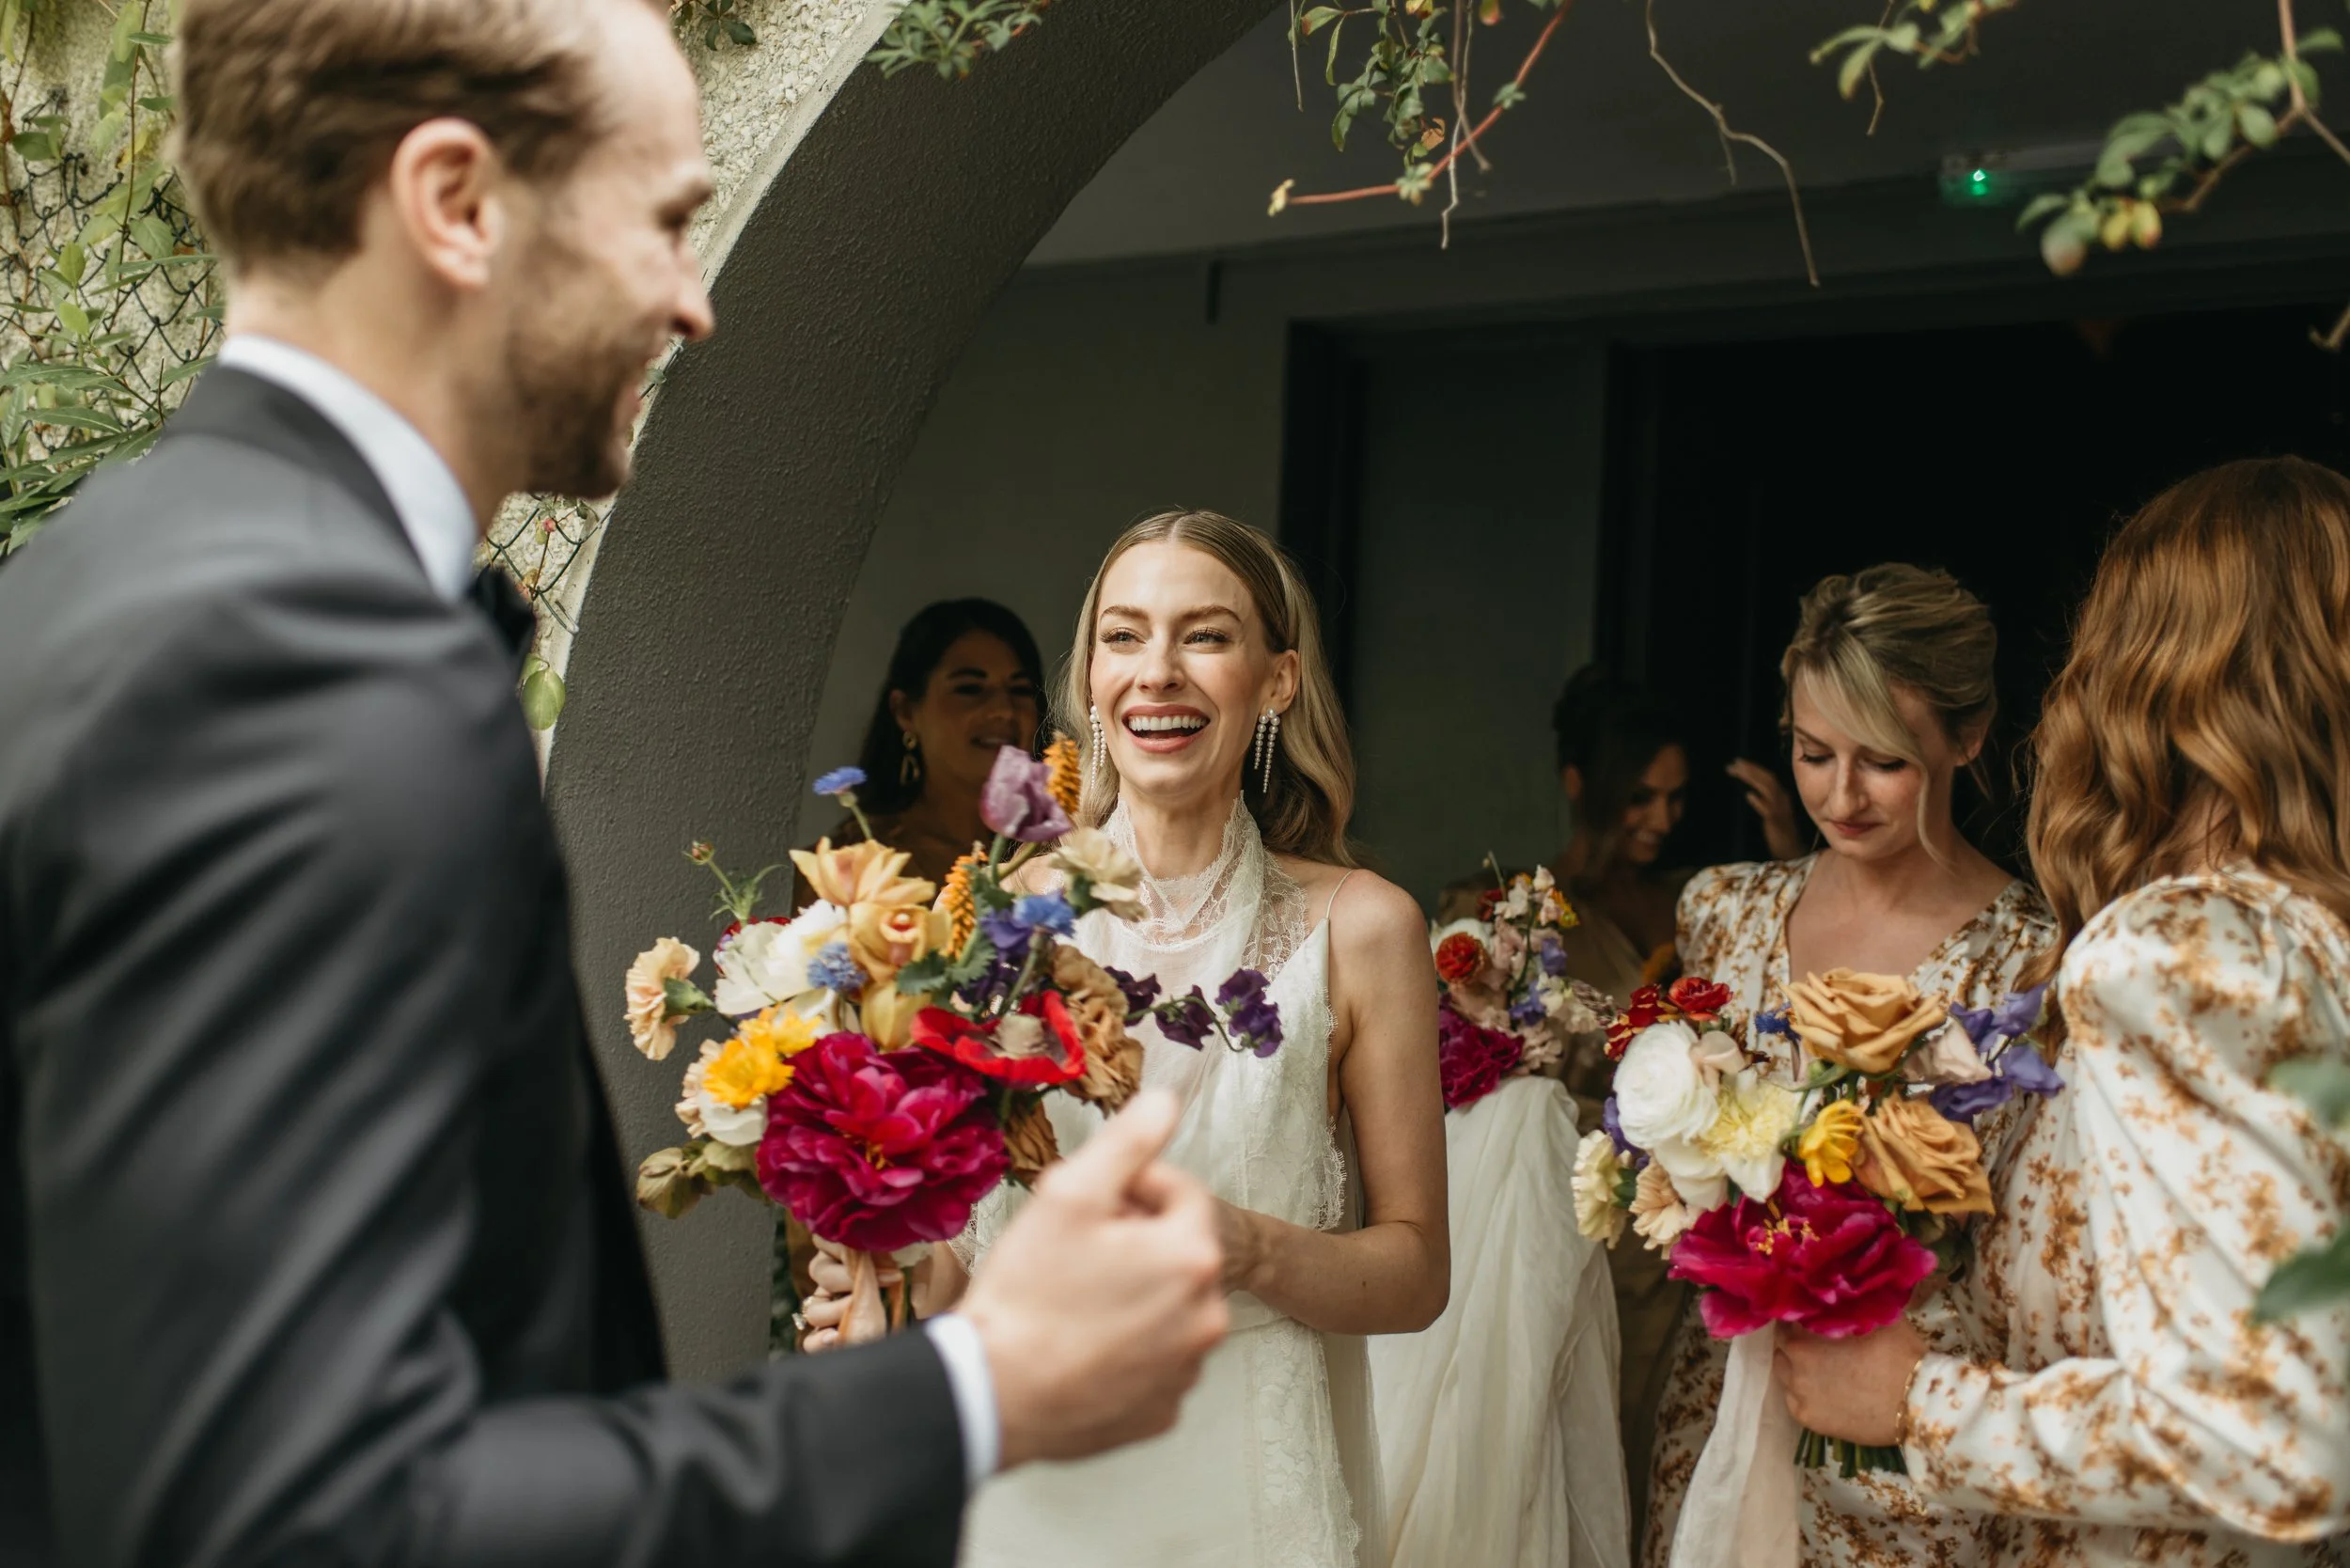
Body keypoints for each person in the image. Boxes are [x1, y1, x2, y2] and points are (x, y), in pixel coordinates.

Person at [0, 3, 1229, 1563]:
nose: (693, 304)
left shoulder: (80, 586)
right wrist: (980, 1387)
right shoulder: (308, 670)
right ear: (456, 202)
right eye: (658, 223)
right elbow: (311, 1515)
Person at [1776, 458, 2350, 1566]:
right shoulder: (2308, 944)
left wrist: (1924, 1403)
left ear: (2146, 666)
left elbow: (2277, 1435)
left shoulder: (2186, 951)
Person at [916, 509, 1449, 1568]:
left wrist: (1245, 1245)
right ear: (1091, 675)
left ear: (1277, 680)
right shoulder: (998, 915)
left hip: (1240, 1485)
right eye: (1124, 636)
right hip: (1028, 1487)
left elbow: (1416, 1273)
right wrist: (876, 1281)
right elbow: (957, 1256)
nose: (1156, 672)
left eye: (1204, 636)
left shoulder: (1364, 928)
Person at [1642, 564, 2057, 1568]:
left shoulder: (2033, 960)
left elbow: (2029, 1250)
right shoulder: (1721, 910)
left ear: (1968, 736)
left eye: (1883, 761)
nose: (1839, 795)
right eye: (1812, 751)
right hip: (1720, 1401)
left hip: (1907, 1440)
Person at [799, 598, 1047, 891]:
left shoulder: (1056, 850)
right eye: (970, 688)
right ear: (905, 711)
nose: (1003, 710)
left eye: (1019, 689)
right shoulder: (851, 864)